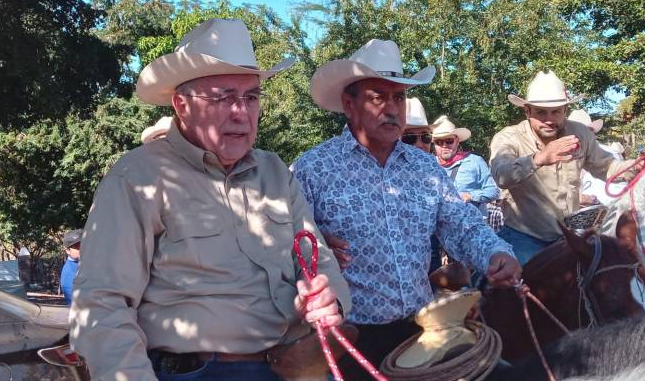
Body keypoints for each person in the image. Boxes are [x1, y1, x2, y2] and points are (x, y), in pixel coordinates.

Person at [69, 19, 351, 381]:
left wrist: (331, 299)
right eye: (222, 97)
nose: (241, 111)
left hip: (300, 365)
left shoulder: (275, 171)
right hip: (201, 372)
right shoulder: (137, 178)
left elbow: (319, 261)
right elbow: (101, 304)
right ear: (181, 105)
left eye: (251, 97)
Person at [291, 38, 521, 380]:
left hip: (420, 331)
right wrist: (315, 245)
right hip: (348, 339)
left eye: (399, 97)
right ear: (349, 104)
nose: (392, 108)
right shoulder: (313, 169)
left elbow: (461, 223)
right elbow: (284, 242)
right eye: (378, 97)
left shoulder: (425, 168)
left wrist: (495, 252)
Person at [490, 70, 635, 266]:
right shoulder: (508, 137)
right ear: (527, 111)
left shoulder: (580, 133)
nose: (549, 119)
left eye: (556, 111)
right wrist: (538, 159)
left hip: (569, 236)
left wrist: (636, 168)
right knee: (521, 289)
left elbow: (607, 167)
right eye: (541, 112)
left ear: (565, 110)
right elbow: (501, 175)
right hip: (524, 237)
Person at [431, 115, 499, 212]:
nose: (444, 145)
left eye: (449, 141)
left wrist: (470, 196)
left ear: (457, 141)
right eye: (439, 142)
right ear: (434, 144)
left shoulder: (475, 162)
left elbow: (494, 191)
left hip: (471, 223)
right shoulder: (428, 164)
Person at [567, 109, 627, 206]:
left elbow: (619, 190)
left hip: (604, 213)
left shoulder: (607, 153)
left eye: (583, 131)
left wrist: (595, 200)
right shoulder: (566, 157)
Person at [60, 229, 82, 305]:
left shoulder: (84, 264)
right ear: (68, 251)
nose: (81, 248)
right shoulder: (69, 273)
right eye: (77, 247)